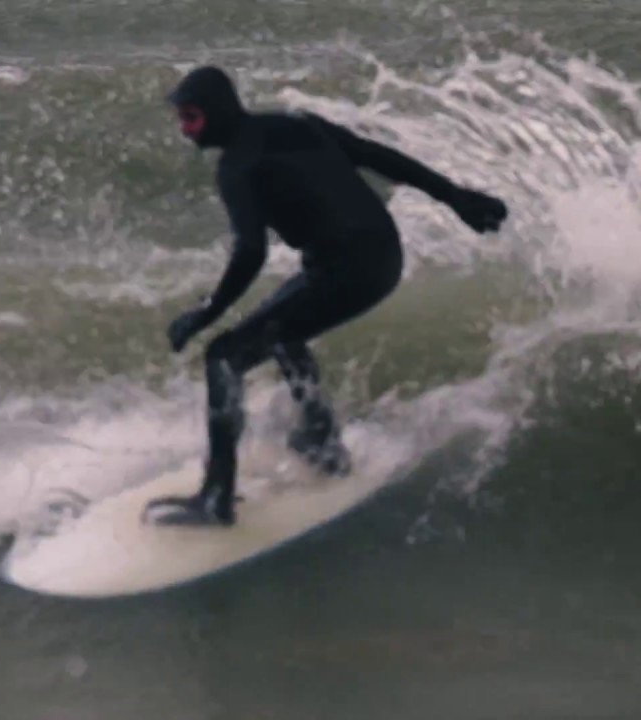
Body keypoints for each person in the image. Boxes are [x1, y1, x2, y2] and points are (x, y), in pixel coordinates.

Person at [144, 65, 508, 527]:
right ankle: (321, 438)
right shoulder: (298, 123)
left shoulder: (237, 166)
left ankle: (217, 498)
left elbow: (251, 251)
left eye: (191, 116)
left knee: (223, 356)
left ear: (215, 113)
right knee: (280, 327)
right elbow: (377, 156)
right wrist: (455, 197)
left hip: (347, 272)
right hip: (382, 255)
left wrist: (206, 312)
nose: (184, 128)